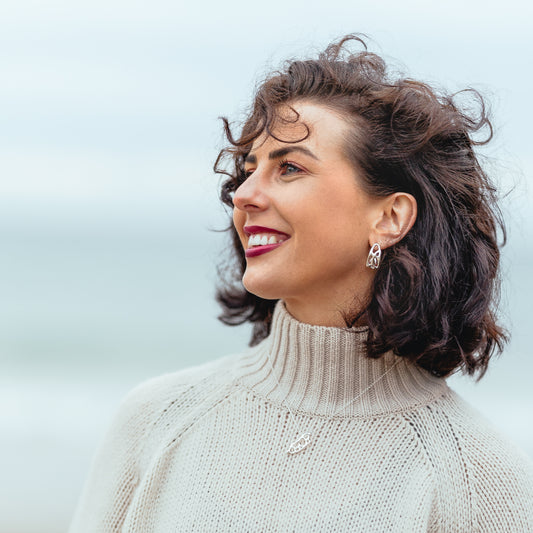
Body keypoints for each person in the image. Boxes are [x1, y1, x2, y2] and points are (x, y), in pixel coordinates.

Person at [70, 35, 533, 532]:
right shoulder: (156, 419)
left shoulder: (479, 482)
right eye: (247, 171)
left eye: (288, 167)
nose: (244, 195)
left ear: (390, 217)